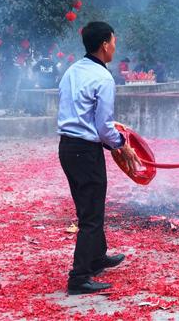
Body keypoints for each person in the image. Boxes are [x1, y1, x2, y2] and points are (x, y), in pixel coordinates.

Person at [57, 21, 141, 295]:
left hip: (68, 148)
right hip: (85, 150)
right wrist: (122, 144)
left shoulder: (72, 71)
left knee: (88, 206)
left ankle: (96, 257)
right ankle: (79, 277)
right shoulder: (103, 78)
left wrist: (108, 139)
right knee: (91, 214)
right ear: (105, 44)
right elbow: (104, 126)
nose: (116, 46)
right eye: (114, 41)